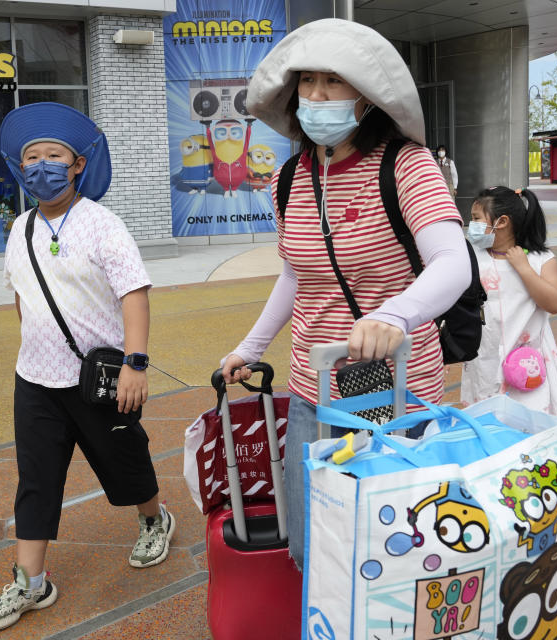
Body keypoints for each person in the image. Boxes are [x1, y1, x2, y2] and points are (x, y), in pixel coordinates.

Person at [218, 19, 471, 569]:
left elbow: (454, 263)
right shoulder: (291, 177)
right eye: (306, 81)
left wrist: (397, 315)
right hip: (315, 386)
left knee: (396, 544)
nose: (315, 95)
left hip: (397, 389)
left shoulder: (406, 165)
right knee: (313, 546)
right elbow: (294, 275)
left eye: (333, 81)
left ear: (368, 97)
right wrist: (251, 347)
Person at [0, 102, 174, 631]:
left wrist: (135, 363)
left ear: (78, 164)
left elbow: (135, 294)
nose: (41, 166)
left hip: (99, 379)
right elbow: (22, 297)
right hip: (35, 380)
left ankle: (154, 518)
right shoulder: (19, 229)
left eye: (53, 155)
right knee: (36, 479)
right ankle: (31, 583)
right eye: (31, 157)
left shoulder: (102, 225)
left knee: (122, 459)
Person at [460, 186, 557, 419]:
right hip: (484, 362)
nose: (471, 225)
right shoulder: (472, 256)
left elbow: (554, 303)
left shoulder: (539, 260)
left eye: (476, 219)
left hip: (528, 364)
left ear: (502, 221)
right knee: (486, 425)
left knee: (528, 424)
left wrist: (524, 269)